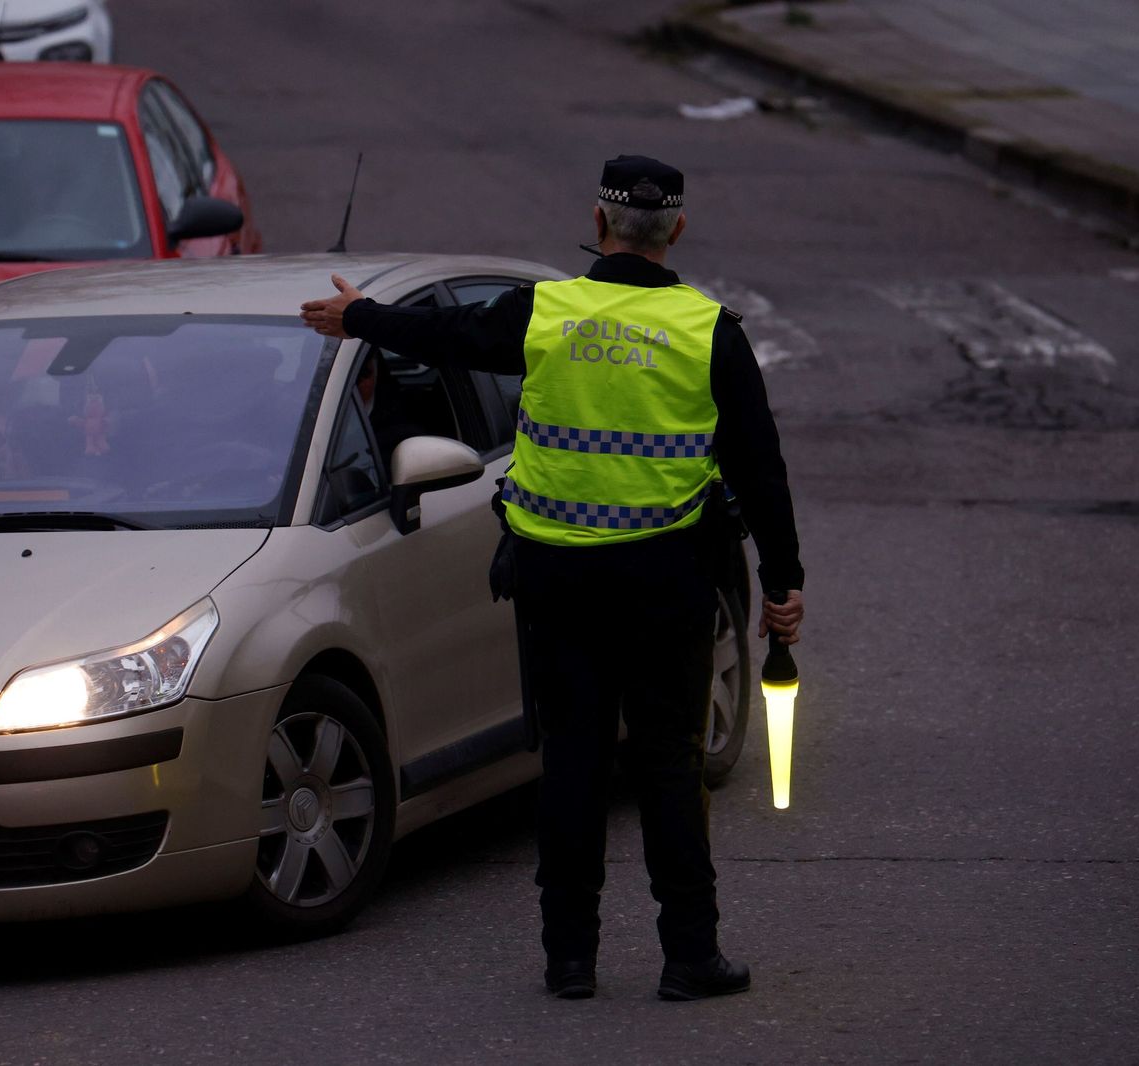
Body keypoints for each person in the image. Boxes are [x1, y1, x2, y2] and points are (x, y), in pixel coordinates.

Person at [300, 155, 805, 1002]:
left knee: (571, 761)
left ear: (599, 223)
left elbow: (451, 337)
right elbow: (761, 470)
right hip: (664, 582)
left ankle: (569, 958)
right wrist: (783, 586)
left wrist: (361, 318)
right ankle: (689, 956)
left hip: (557, 579)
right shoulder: (707, 330)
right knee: (668, 766)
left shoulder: (546, 312)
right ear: (674, 230)